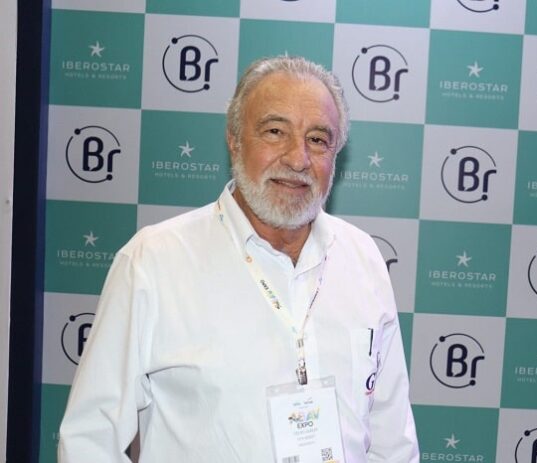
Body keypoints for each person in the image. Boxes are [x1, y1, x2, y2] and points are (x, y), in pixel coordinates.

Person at [58, 55, 419, 462]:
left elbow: (392, 442)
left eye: (318, 139)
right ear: (234, 139)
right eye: (275, 131)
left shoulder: (362, 257)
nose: (298, 158)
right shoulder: (153, 262)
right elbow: (90, 439)